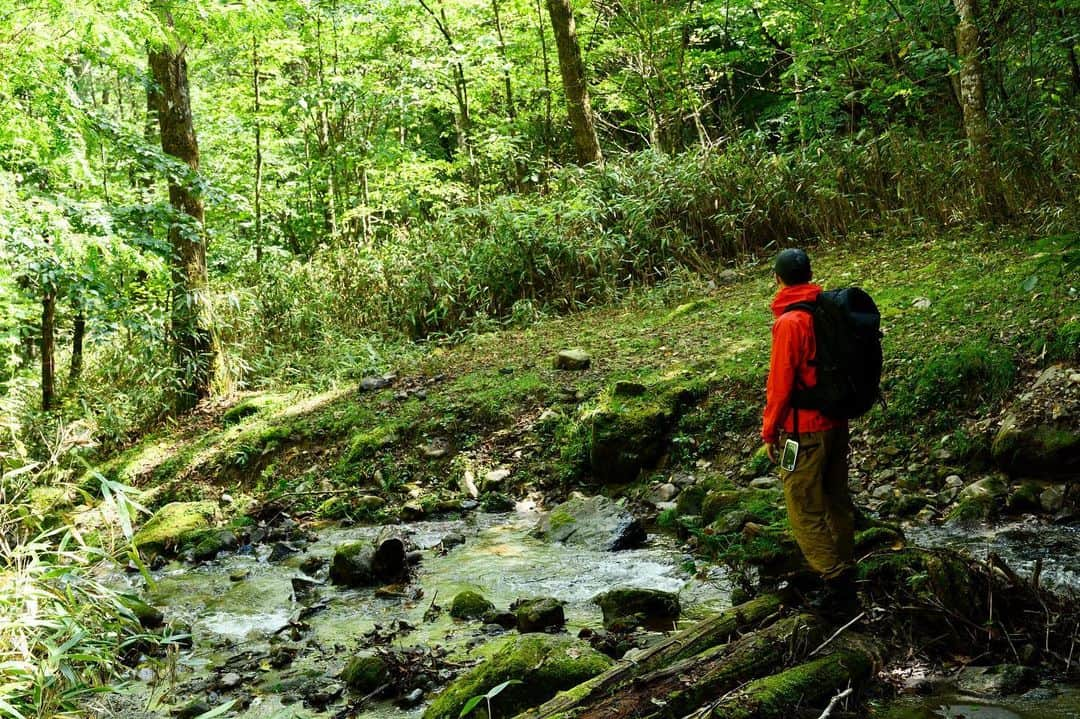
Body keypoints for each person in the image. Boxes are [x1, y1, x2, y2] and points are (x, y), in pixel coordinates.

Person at [761, 248, 857, 611]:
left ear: (778, 279)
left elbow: (780, 385)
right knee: (836, 499)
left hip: (805, 431)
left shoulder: (790, 323)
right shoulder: (826, 310)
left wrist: (770, 432)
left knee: (803, 507)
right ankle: (846, 568)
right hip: (836, 422)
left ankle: (837, 586)